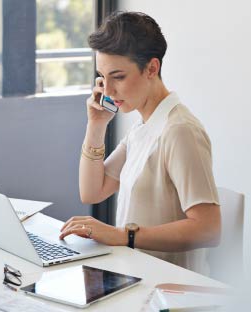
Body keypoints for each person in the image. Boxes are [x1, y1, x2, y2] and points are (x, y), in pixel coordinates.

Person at [59, 11, 221, 274]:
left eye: (118, 77)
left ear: (152, 68)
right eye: (103, 77)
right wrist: (96, 126)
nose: (108, 91)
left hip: (166, 287)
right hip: (134, 274)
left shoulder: (180, 131)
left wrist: (124, 235)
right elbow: (92, 191)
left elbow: (209, 229)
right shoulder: (143, 127)